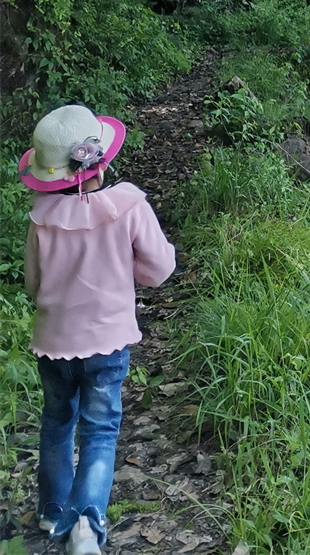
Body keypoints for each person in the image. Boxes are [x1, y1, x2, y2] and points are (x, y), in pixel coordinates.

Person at [19, 104, 176, 554]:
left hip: (53, 343)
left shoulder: (40, 218)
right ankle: (86, 522)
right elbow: (158, 268)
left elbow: (33, 284)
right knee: (101, 430)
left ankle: (51, 510)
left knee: (56, 423)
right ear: (100, 161)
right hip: (107, 344)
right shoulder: (128, 205)